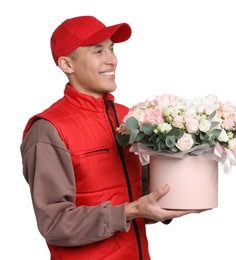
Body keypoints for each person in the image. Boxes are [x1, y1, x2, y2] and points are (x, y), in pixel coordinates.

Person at [20, 15, 204, 260]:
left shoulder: (129, 118)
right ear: (67, 64)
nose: (112, 59)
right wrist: (130, 211)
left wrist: (182, 190)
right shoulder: (48, 130)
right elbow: (55, 224)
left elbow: (141, 195)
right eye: (98, 51)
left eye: (112, 48)